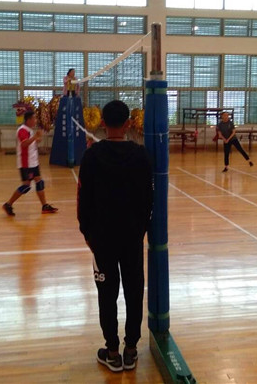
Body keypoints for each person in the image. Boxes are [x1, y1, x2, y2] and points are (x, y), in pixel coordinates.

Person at [77, 100, 153, 373]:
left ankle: (112, 351)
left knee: (106, 295)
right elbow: (149, 197)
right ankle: (130, 349)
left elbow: (83, 197)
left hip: (103, 239)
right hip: (132, 237)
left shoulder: (92, 156)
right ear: (129, 124)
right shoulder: (141, 155)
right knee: (134, 291)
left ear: (101, 123)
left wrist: (87, 233)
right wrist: (141, 228)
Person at [2, 111, 58, 216]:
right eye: (34, 119)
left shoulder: (29, 130)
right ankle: (8, 204)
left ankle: (44, 206)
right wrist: (35, 137)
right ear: (28, 120)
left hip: (33, 162)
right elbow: (24, 144)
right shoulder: (22, 130)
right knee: (26, 186)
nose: (35, 121)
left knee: (39, 182)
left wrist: (37, 139)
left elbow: (30, 142)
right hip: (26, 163)